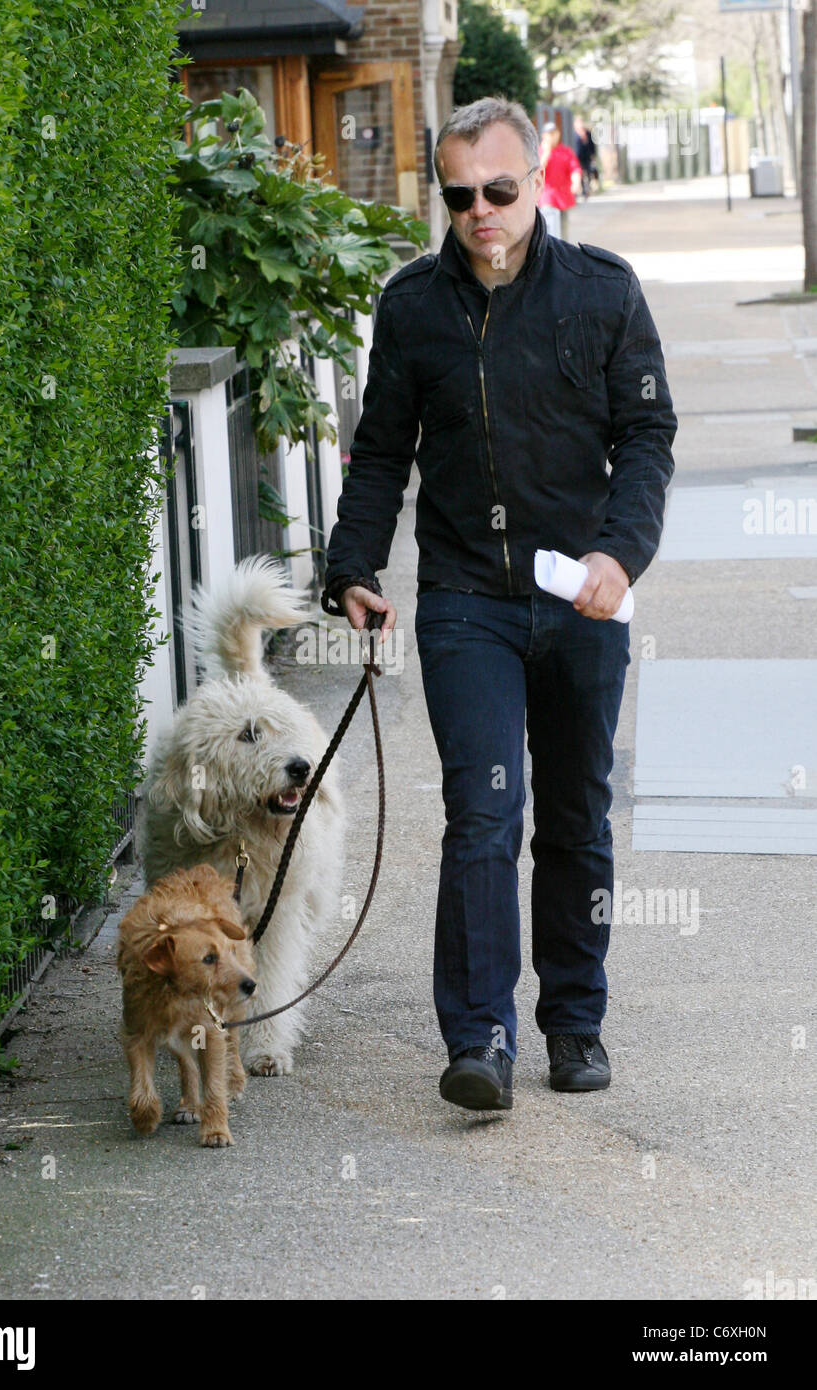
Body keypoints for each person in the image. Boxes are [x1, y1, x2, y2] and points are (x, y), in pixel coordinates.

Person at [321, 95, 676, 1113]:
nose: (480, 211)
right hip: (466, 597)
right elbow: (381, 449)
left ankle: (574, 1019)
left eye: (501, 191)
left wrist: (620, 554)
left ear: (539, 177)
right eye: (460, 194)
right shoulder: (413, 306)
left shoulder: (603, 293)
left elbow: (647, 438)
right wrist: (353, 566)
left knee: (574, 814)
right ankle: (479, 1036)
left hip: (580, 600)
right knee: (482, 812)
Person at [538, 119, 581, 240]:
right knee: (550, 229)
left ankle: (563, 255)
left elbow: (575, 168)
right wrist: (547, 152)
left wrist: (576, 182)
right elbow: (538, 171)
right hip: (547, 197)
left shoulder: (566, 151)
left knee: (563, 229)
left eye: (554, 133)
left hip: (563, 197)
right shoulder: (539, 151)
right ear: (544, 135)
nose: (553, 136)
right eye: (549, 134)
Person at [573, 114, 599, 198]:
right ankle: (582, 190)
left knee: (588, 173)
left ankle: (587, 189)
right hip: (577, 157)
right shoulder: (573, 134)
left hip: (586, 157)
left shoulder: (587, 133)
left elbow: (592, 145)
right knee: (579, 174)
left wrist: (593, 155)